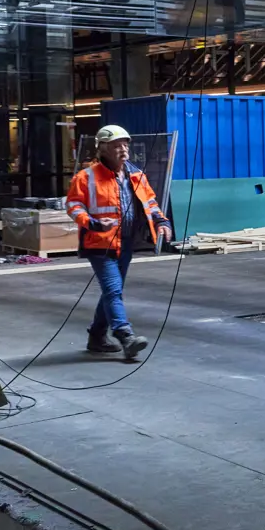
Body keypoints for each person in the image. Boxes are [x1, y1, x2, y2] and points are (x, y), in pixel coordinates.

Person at [66, 125, 172, 360]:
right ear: (102, 148)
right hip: (99, 243)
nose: (123, 149)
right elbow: (73, 206)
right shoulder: (86, 177)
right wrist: (93, 223)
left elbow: (150, 202)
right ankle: (126, 336)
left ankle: (97, 336)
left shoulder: (136, 174)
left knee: (111, 291)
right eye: (116, 145)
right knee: (113, 290)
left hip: (126, 242)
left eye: (125, 145)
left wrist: (162, 221)